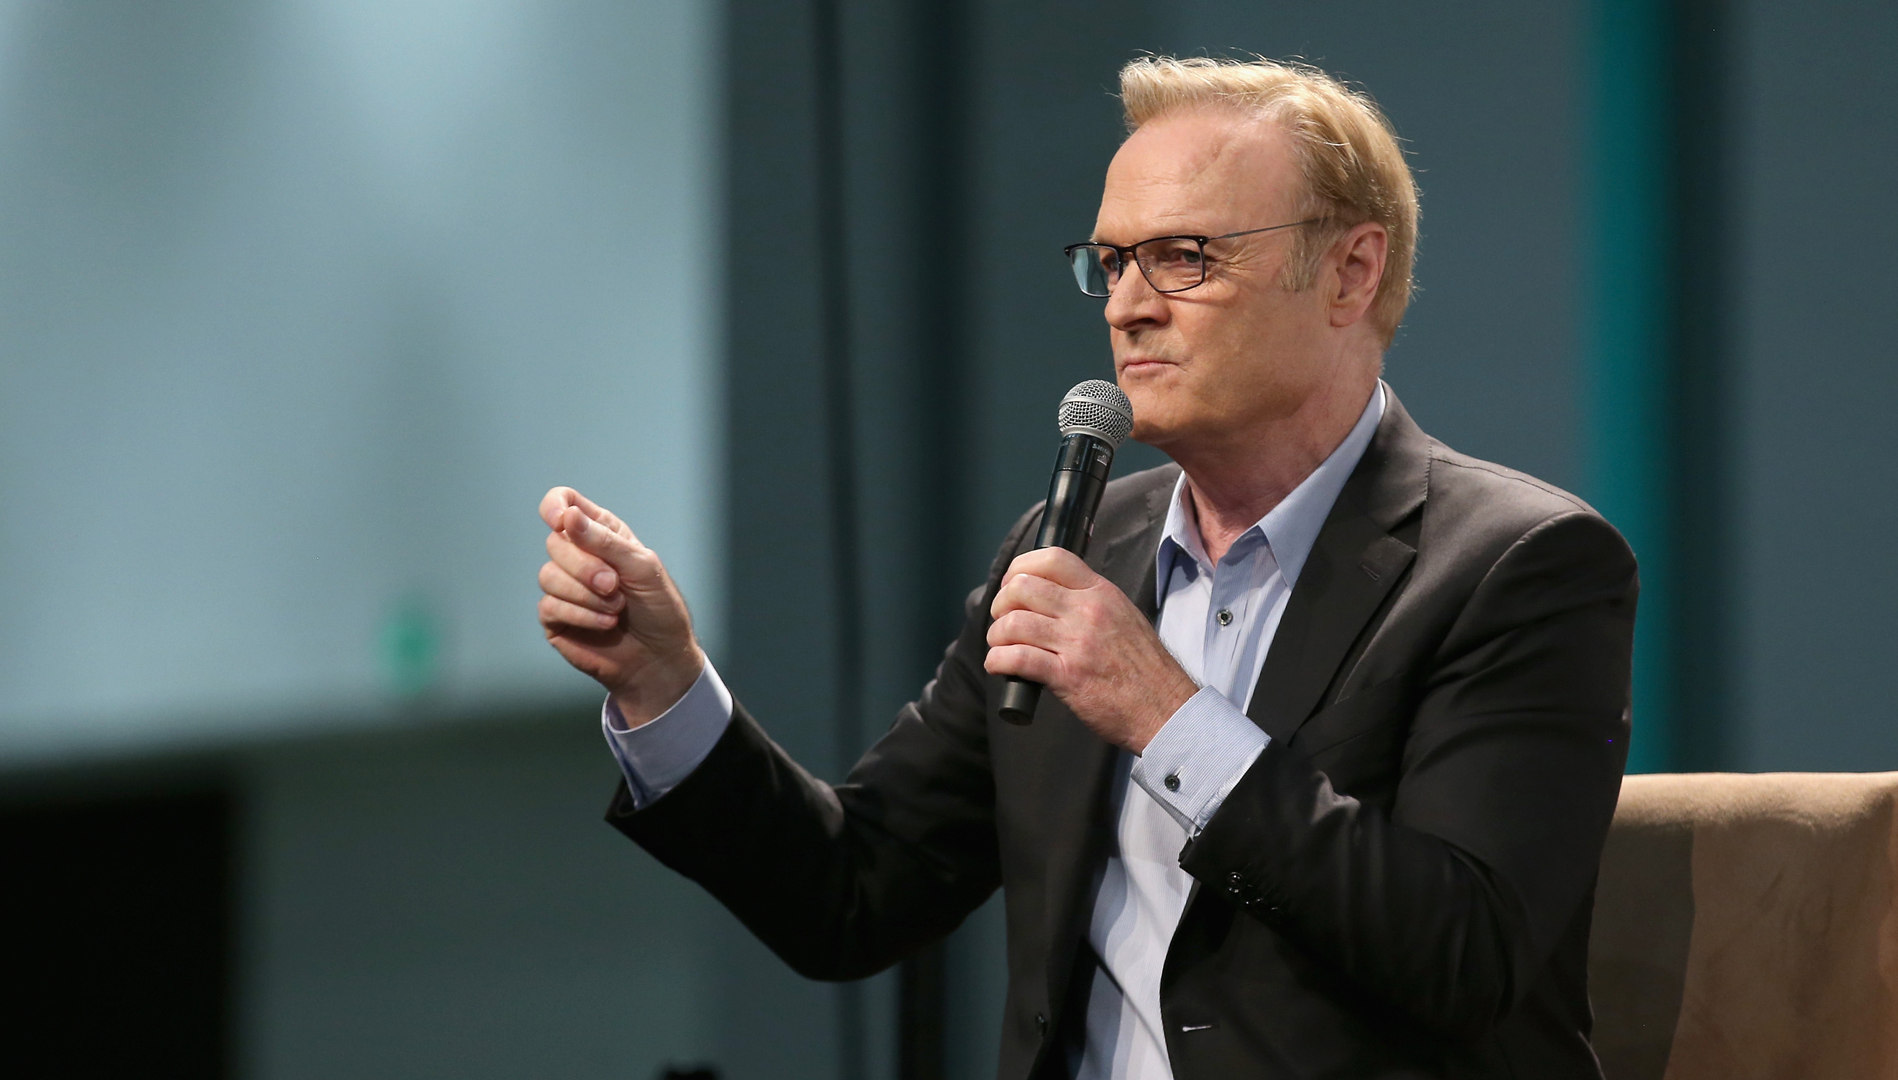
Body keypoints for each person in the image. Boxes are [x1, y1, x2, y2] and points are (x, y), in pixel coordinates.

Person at [536, 56, 1636, 1080]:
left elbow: (1466, 955)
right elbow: (853, 892)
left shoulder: (1516, 565)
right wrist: (664, 686)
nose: (1126, 305)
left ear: (1350, 272)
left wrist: (1167, 717)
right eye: (1111, 262)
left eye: (1183, 258)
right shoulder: (1072, 546)